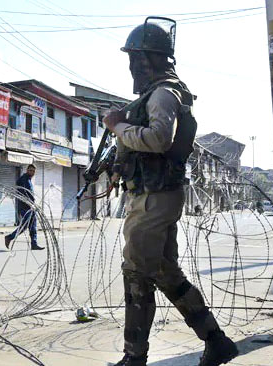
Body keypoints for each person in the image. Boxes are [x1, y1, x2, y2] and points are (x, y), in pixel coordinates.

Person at [102, 18, 238, 366]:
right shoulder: (160, 91)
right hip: (154, 193)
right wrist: (119, 165)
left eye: (136, 58)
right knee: (164, 272)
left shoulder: (163, 93)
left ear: (149, 58)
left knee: (136, 273)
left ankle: (135, 357)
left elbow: (160, 139)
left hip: (154, 197)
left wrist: (118, 126)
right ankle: (217, 341)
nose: (133, 65)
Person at [5, 164, 44, 251]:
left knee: (33, 226)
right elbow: (26, 193)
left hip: (29, 206)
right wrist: (32, 203)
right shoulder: (24, 179)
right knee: (25, 225)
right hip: (24, 207)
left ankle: (34, 244)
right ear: (27, 170)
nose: (32, 172)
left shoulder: (28, 179)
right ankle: (9, 237)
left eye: (33, 171)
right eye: (30, 170)